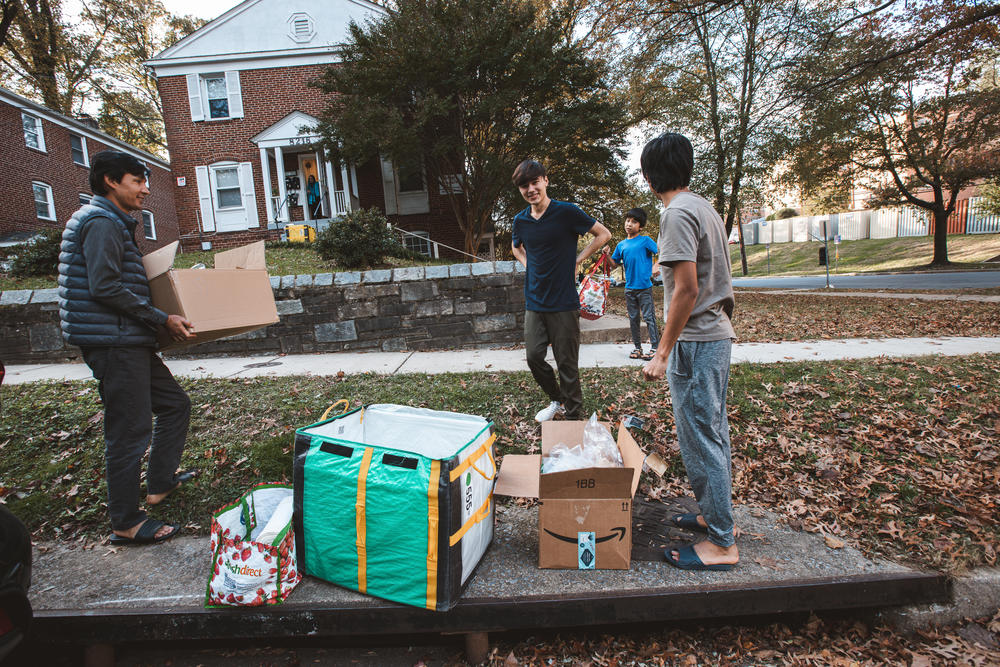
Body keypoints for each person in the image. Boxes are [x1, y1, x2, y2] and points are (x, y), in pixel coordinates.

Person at [58, 150, 196, 546]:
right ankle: (126, 521)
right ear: (110, 182)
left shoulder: (109, 221)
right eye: (137, 180)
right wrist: (160, 318)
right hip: (113, 341)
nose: (145, 189)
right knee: (129, 431)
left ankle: (160, 482)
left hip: (125, 339)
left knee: (174, 404)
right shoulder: (100, 221)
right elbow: (104, 286)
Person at [639, 133, 739, 571]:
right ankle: (717, 518)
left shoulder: (675, 214)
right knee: (712, 434)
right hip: (712, 337)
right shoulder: (703, 207)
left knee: (701, 441)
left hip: (697, 342)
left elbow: (686, 288)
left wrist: (662, 352)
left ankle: (721, 544)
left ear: (649, 176)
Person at [510, 160, 611, 422]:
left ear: (545, 180)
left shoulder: (566, 212)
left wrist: (577, 259)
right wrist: (527, 263)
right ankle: (557, 399)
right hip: (534, 300)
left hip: (564, 302)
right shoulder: (520, 220)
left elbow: (603, 234)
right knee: (533, 356)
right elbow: (516, 247)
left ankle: (574, 417)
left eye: (535, 182)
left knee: (567, 365)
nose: (531, 189)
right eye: (525, 185)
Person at [602, 207, 660, 360]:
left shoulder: (645, 240)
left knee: (649, 317)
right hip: (629, 289)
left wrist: (657, 265)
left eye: (634, 222)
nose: (629, 224)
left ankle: (655, 348)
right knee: (633, 319)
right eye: (628, 221)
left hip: (644, 287)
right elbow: (614, 264)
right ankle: (637, 348)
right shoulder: (621, 245)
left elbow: (661, 252)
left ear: (640, 226)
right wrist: (607, 255)